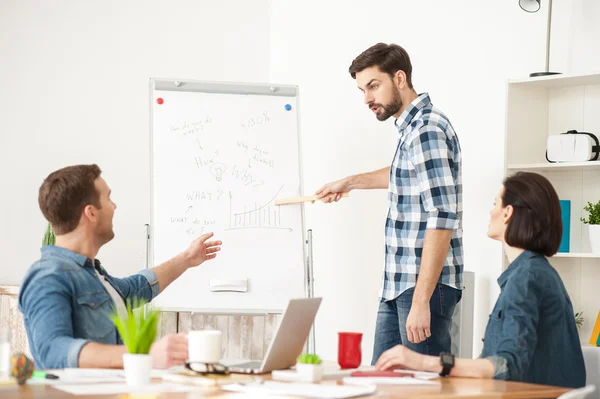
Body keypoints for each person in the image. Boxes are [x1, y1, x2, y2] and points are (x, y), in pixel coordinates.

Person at [316, 43, 463, 362]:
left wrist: (422, 300)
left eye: (373, 86)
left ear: (400, 78)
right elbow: (403, 173)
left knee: (422, 390)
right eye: (362, 90)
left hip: (421, 287)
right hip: (398, 284)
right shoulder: (412, 128)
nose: (367, 99)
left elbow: (442, 215)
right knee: (381, 385)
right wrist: (349, 182)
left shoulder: (426, 128)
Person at [374, 172, 586, 388]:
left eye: (495, 204)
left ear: (507, 213)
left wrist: (422, 361)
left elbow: (506, 365)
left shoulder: (527, 277)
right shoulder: (533, 272)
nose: (490, 211)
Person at [19, 164, 222, 369]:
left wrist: (187, 258)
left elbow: (137, 288)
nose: (114, 206)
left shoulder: (91, 274)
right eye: (108, 198)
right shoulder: (47, 276)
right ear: (91, 213)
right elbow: (53, 351)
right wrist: (145, 355)